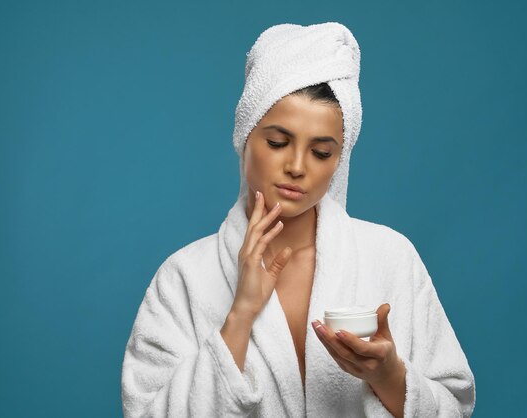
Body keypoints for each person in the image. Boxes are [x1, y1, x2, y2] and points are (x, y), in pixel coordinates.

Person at [121, 22, 476, 417]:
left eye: (321, 152)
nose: (296, 166)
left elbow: (455, 404)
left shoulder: (390, 258)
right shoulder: (183, 278)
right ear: (245, 136)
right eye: (277, 142)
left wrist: (389, 375)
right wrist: (239, 317)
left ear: (339, 160)